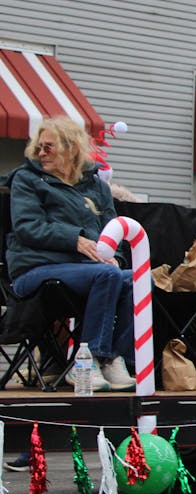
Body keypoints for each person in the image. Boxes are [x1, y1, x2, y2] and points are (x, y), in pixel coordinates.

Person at [3, 117, 136, 393]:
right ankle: (88, 362)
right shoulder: (27, 180)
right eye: (38, 148)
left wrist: (115, 256)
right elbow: (28, 228)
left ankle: (114, 357)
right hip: (35, 268)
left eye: (48, 147)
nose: (41, 153)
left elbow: (114, 231)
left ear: (71, 148)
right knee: (107, 274)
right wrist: (74, 240)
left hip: (88, 270)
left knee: (135, 279)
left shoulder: (97, 185)